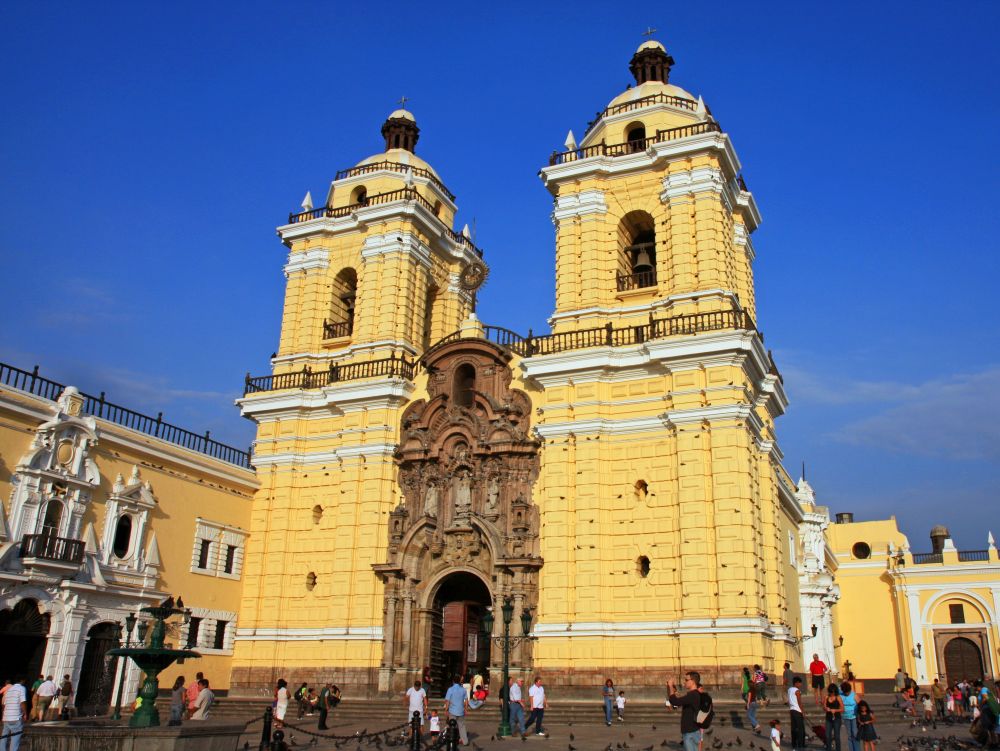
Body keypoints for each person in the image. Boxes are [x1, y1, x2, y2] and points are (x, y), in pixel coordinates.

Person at [668, 671, 710, 751]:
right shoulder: (695, 695)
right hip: (694, 730)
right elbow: (675, 705)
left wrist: (670, 686)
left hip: (690, 732)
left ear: (693, 681)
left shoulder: (692, 695)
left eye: (686, 680)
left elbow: (674, 701)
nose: (684, 682)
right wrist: (673, 692)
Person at [443, 674, 469, 746]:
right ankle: (465, 741)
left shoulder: (450, 689)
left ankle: (451, 739)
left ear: (453, 681)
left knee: (451, 726)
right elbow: (466, 700)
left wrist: (446, 710)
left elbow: (447, 701)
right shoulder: (463, 690)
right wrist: (466, 709)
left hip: (452, 711)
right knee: (462, 726)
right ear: (459, 681)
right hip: (461, 711)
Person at [2, 678, 27, 751]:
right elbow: (23, 702)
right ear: (22, 681)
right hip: (15, 717)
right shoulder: (21, 688)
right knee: (15, 738)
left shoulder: (9, 689)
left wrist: (4, 714)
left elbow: (4, 704)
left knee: (4, 737)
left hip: (6, 717)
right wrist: (25, 713)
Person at [788, 676, 807, 751]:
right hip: (797, 710)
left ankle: (794, 743)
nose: (800, 685)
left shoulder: (789, 689)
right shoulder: (797, 691)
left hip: (792, 710)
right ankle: (801, 744)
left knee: (793, 728)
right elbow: (799, 702)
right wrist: (803, 711)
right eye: (800, 683)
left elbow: (790, 700)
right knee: (800, 728)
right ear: (796, 683)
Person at [840, 681, 859, 751]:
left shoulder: (854, 695)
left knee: (855, 733)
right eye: (845, 692)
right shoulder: (840, 695)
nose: (847, 693)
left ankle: (857, 749)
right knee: (849, 735)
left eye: (848, 692)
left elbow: (860, 704)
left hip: (854, 717)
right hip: (845, 717)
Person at [824, 682, 844, 751]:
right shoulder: (826, 697)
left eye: (833, 692)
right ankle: (828, 748)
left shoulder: (838, 697)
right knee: (827, 735)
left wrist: (835, 710)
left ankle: (838, 749)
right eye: (831, 692)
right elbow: (824, 707)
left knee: (836, 736)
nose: (832, 694)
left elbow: (842, 709)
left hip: (837, 719)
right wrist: (826, 708)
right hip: (828, 718)